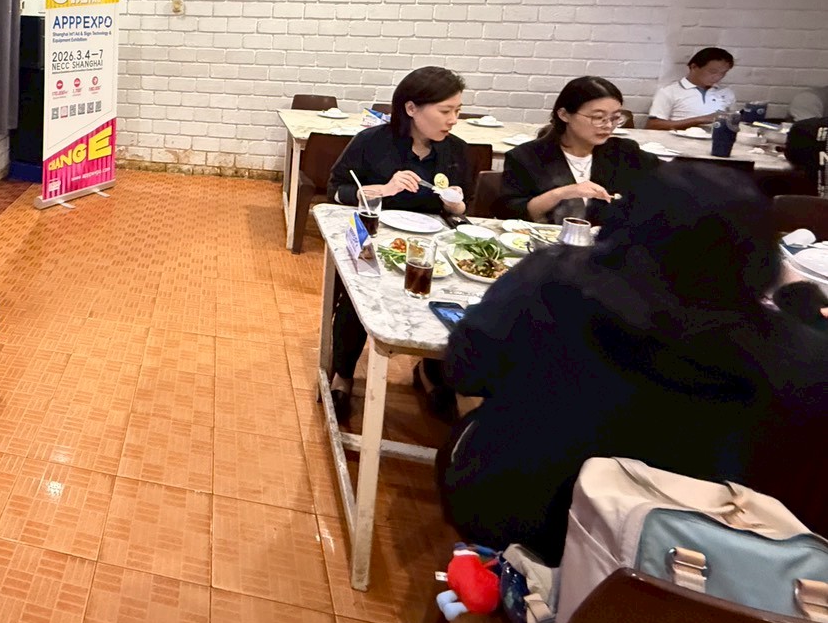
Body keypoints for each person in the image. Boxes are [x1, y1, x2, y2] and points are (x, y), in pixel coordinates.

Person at [438, 166, 828, 563]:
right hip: (692, 554)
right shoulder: (796, 353)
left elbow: (464, 369)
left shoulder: (551, 279)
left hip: (511, 511)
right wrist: (803, 309)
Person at [326, 66, 472, 421]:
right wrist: (383, 190)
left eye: (457, 111)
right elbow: (336, 190)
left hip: (433, 248)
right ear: (411, 108)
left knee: (451, 304)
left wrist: (456, 205)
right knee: (358, 298)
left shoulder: (457, 151)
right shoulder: (371, 142)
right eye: (445, 111)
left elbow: (463, 209)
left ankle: (431, 371)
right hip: (376, 242)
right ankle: (342, 374)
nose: (453, 120)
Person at [498, 76, 658, 224]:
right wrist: (563, 193)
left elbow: (664, 180)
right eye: (598, 117)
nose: (608, 125)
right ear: (564, 115)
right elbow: (510, 214)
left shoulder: (624, 152)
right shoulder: (527, 157)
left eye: (615, 118)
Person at [645, 47, 736, 130]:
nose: (717, 77)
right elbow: (653, 125)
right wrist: (700, 120)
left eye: (723, 73)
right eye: (713, 72)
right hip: (678, 139)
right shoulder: (670, 91)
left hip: (716, 139)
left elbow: (733, 123)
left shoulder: (726, 93)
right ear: (694, 67)